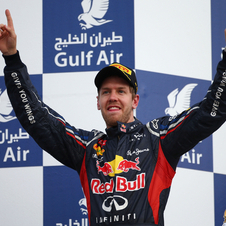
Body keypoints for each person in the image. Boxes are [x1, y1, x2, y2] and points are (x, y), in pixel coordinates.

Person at [1, 9, 226, 226]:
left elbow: (209, 113)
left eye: (121, 91)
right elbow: (38, 119)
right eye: (106, 92)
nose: (113, 97)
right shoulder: (87, 148)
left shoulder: (158, 139)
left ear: (135, 100)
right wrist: (11, 59)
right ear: (98, 102)